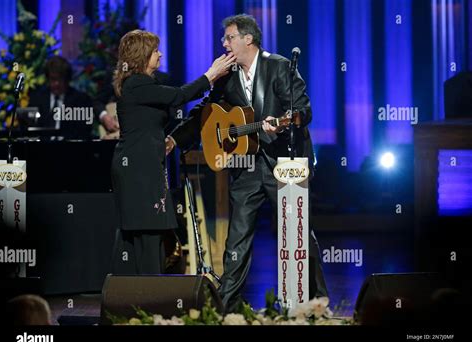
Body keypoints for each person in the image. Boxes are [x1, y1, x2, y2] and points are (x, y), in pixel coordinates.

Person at [166, 14, 328, 312]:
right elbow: (206, 113)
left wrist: (282, 125)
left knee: (296, 234)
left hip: (285, 163)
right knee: (237, 239)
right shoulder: (228, 77)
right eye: (223, 38)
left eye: (228, 37)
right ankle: (226, 308)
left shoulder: (279, 67)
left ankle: (314, 303)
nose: (223, 43)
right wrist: (176, 139)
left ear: (248, 39)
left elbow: (303, 110)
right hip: (247, 165)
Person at [111, 30, 236, 275]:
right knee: (146, 230)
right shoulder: (136, 83)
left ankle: (140, 297)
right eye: (155, 50)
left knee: (151, 231)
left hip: (146, 165)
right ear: (142, 55)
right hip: (137, 168)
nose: (160, 54)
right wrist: (210, 75)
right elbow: (179, 96)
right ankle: (143, 296)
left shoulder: (148, 83)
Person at [28, 56, 94, 139]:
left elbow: (84, 132)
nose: (56, 84)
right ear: (48, 79)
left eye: (60, 79)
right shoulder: (37, 99)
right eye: (53, 79)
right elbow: (30, 131)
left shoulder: (81, 100)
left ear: (67, 79)